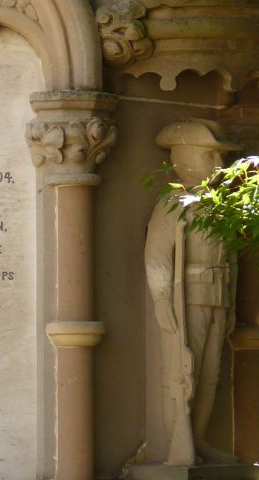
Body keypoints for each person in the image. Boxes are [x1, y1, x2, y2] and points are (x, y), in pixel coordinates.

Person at [145, 118, 240, 465]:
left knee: (211, 374)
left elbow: (231, 257)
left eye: (220, 158)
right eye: (210, 156)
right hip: (189, 300)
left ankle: (198, 440)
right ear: (186, 158)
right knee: (185, 370)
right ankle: (178, 446)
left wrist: (229, 306)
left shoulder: (219, 206)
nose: (219, 165)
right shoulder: (173, 203)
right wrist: (160, 299)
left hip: (217, 298)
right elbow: (157, 257)